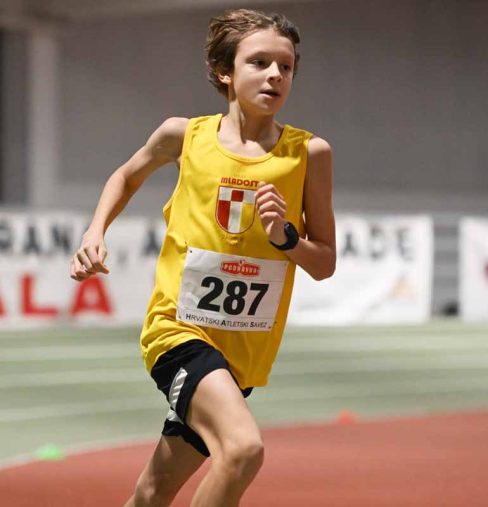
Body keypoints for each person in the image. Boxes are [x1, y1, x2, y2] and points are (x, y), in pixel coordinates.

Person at [70, 8, 336, 507]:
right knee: (242, 449)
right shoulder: (184, 135)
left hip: (241, 354)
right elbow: (125, 175)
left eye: (286, 67)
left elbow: (324, 264)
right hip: (178, 331)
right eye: (259, 62)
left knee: (152, 493)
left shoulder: (309, 153)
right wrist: (95, 230)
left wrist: (285, 239)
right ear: (224, 71)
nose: (275, 75)